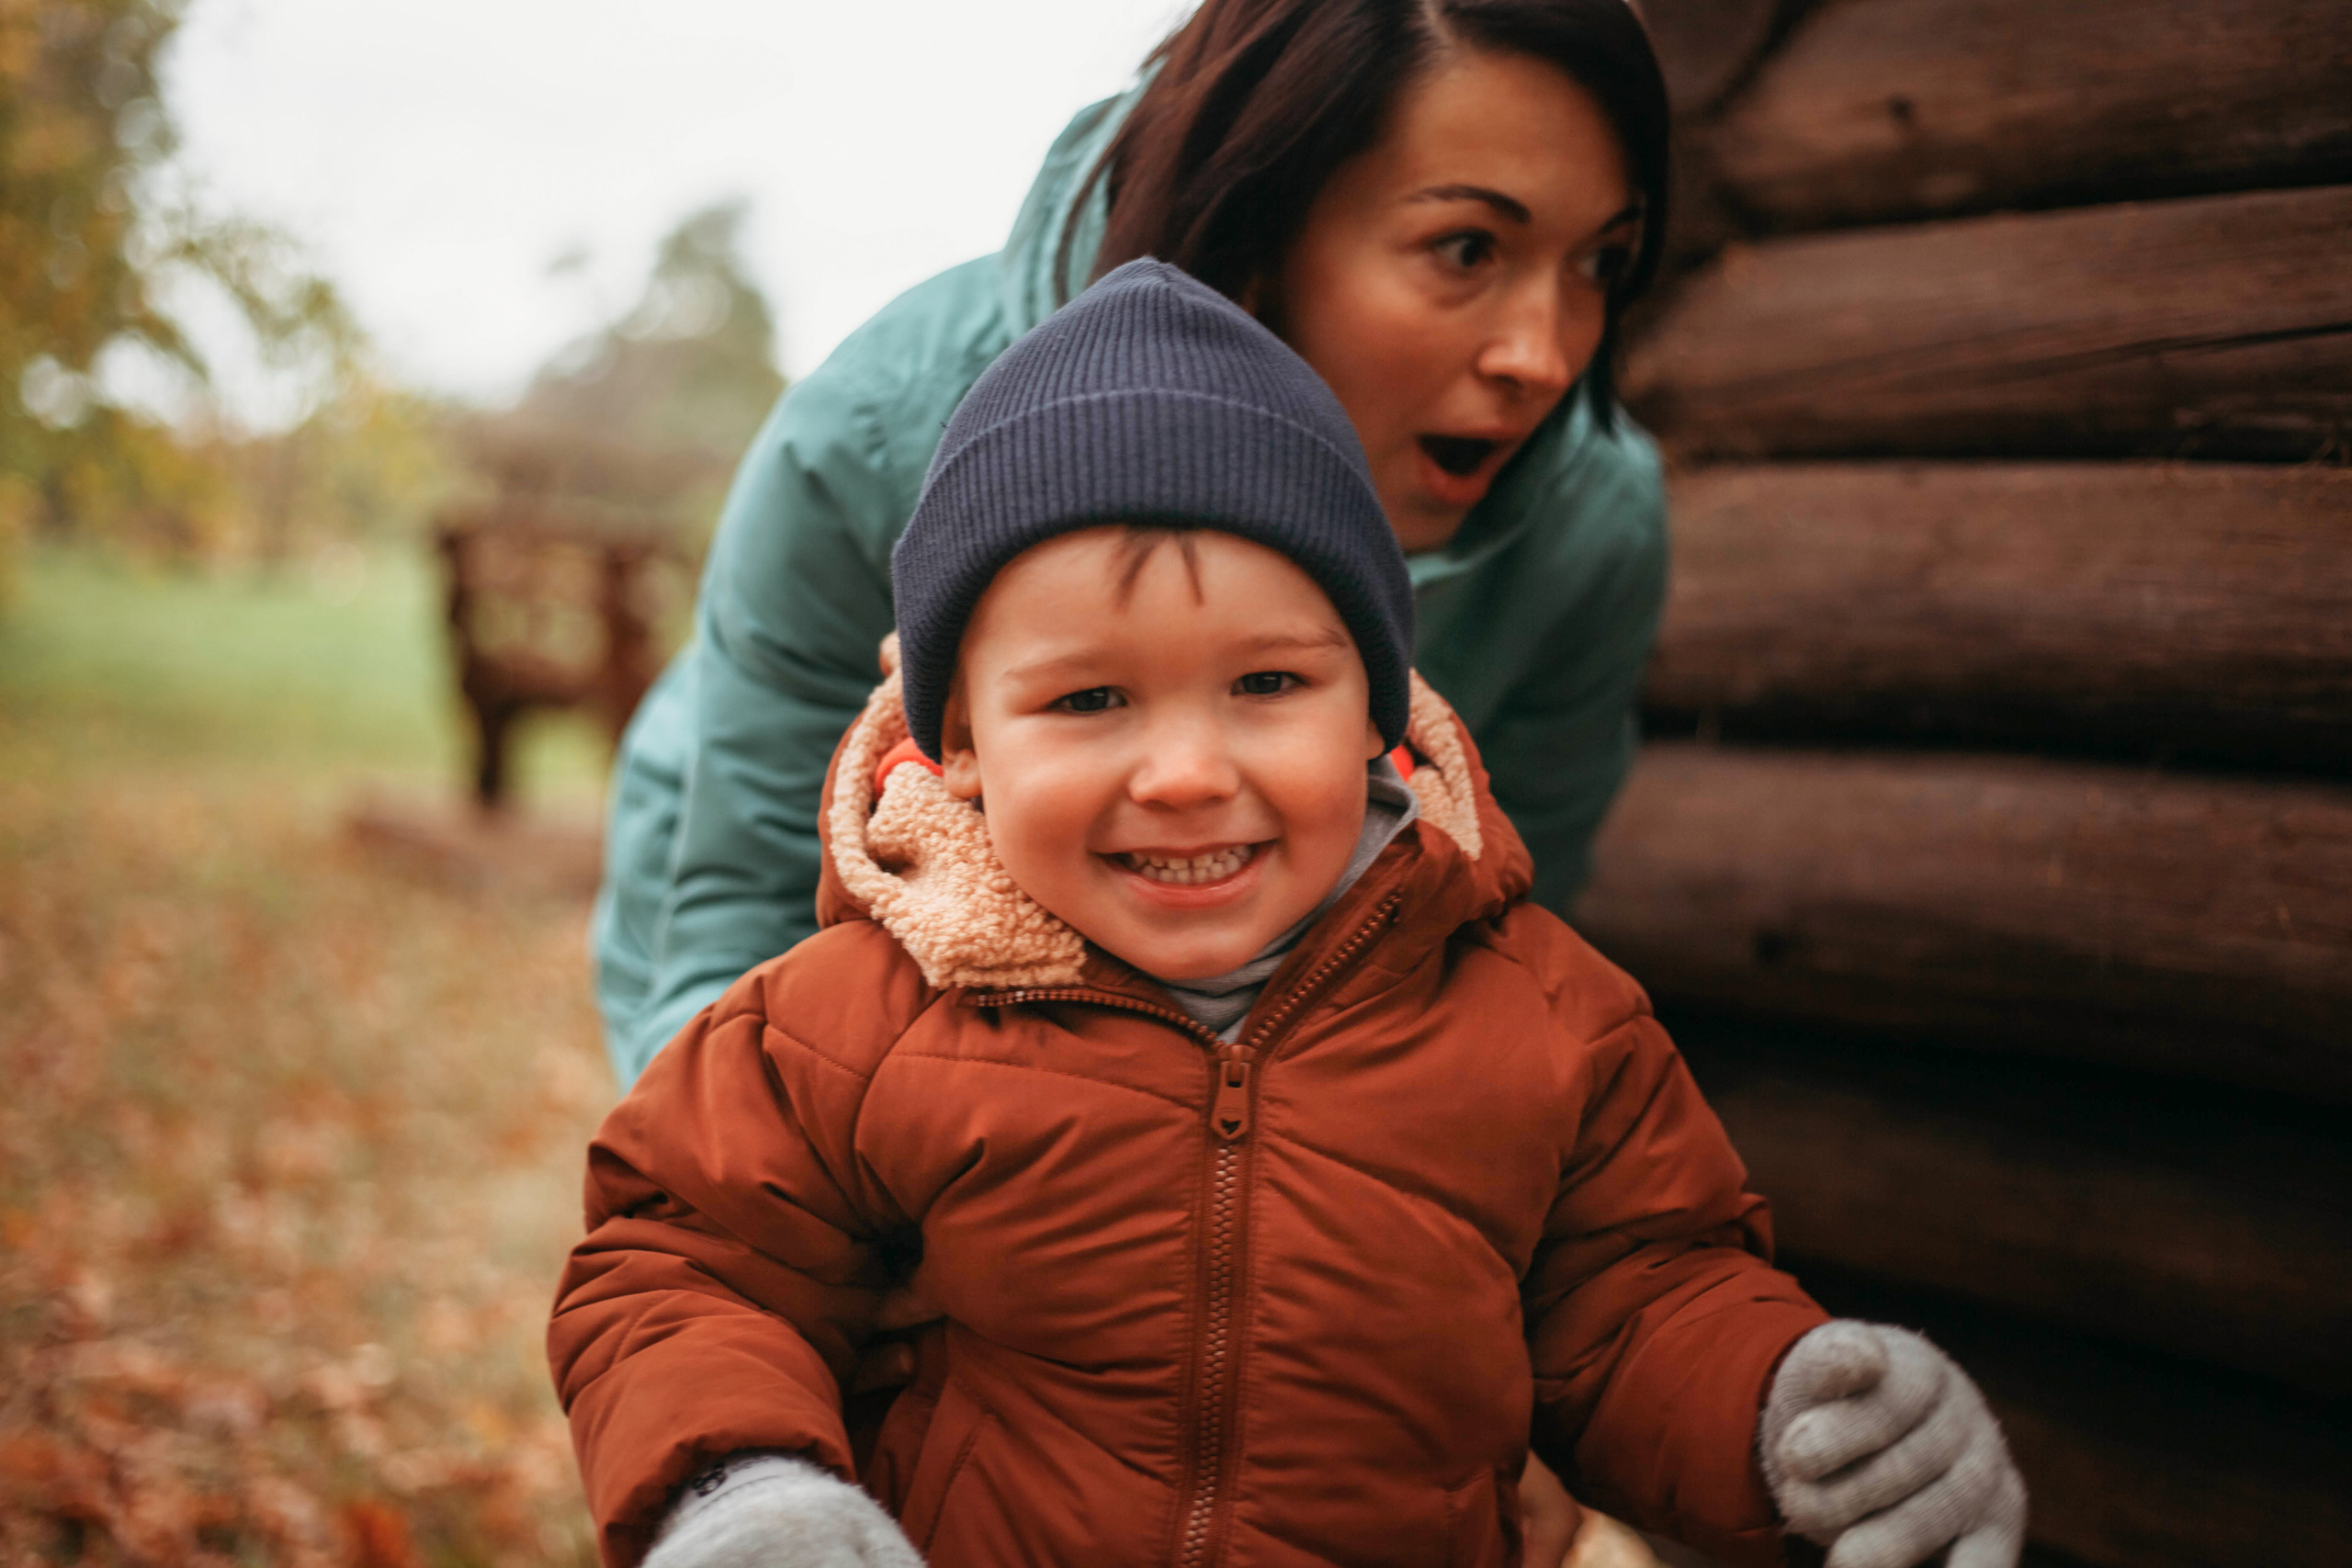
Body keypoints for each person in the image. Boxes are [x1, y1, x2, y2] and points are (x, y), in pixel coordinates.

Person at [548, 262, 2027, 1568]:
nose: (1189, 772)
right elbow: (684, 1262)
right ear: (960, 752)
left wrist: (1789, 1400)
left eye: (1267, 684)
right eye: (1088, 698)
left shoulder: (1541, 1016)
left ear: (1378, 715)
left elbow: (1643, 1300)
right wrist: (746, 1491)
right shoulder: (850, 1026)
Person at [594, 0, 1679, 1088]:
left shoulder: (1591, 521)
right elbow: (734, 920)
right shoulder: (882, 431)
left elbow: (1505, 945)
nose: (1543, 356)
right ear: (1261, 232)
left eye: (1598, 262)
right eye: (1466, 248)